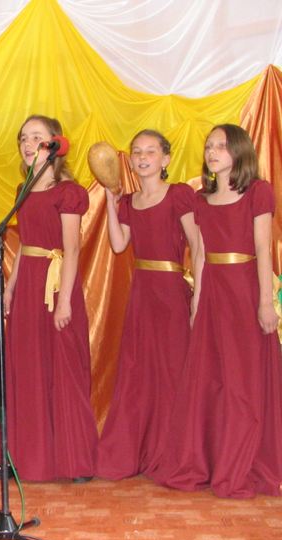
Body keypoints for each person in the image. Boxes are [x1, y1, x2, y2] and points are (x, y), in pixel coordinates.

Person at [148, 124, 282, 498]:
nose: (212, 152)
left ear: (239, 151)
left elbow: (263, 249)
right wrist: (197, 301)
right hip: (214, 296)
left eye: (221, 146)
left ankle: (243, 464)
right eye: (209, 146)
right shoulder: (201, 199)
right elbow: (202, 254)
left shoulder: (258, 191)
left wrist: (265, 302)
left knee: (243, 382)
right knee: (213, 381)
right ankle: (214, 459)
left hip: (245, 291)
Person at [1, 114, 98, 482]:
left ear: (55, 144)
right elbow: (25, 245)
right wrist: (11, 287)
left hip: (56, 285)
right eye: (23, 138)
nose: (28, 144)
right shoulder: (22, 190)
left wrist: (65, 301)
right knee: (31, 368)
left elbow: (71, 249)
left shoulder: (68, 192)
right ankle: (33, 458)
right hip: (28, 285)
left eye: (37, 137)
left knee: (63, 368)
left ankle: (74, 460)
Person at [96, 131, 197, 480]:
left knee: (172, 370)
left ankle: (174, 452)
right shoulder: (129, 202)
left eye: (150, 152)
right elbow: (118, 244)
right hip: (142, 293)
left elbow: (198, 246)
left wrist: (199, 295)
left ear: (165, 159)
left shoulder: (180, 194)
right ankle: (137, 450)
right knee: (139, 372)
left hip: (171, 291)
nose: (142, 157)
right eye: (137, 152)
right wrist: (110, 201)